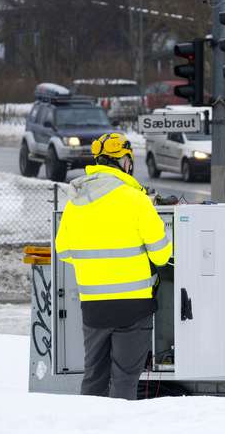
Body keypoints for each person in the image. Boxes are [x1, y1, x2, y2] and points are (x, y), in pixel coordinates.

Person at [55, 132, 172, 400]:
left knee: (94, 376)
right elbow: (161, 255)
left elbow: (64, 252)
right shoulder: (135, 199)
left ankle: (89, 432)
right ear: (124, 162)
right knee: (125, 379)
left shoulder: (76, 202)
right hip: (133, 307)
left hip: (93, 306)